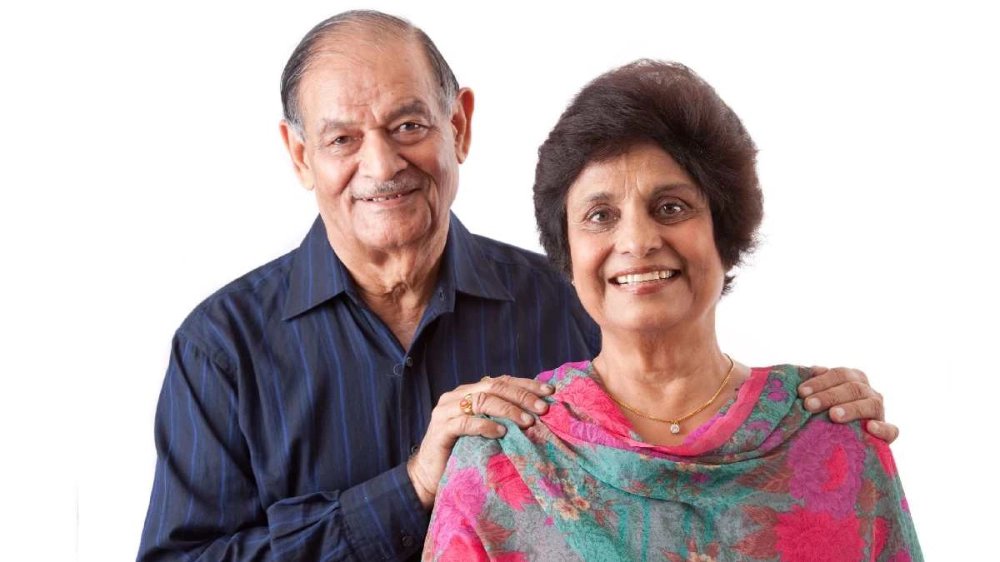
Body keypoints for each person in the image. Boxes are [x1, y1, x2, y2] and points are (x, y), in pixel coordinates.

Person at [137, 10, 897, 561]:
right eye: (342, 138)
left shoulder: (569, 299)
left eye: (408, 126)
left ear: (459, 126)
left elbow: (680, 426)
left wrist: (805, 418)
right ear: (301, 156)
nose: (382, 164)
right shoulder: (221, 348)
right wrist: (408, 489)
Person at [423, 60, 921, 561]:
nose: (637, 241)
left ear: (725, 234)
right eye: (600, 215)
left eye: (671, 208)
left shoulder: (834, 438)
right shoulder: (498, 459)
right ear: (567, 253)